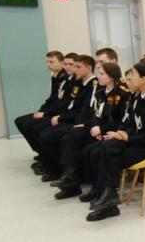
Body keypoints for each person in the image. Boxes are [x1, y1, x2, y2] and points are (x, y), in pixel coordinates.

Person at [86, 63, 145, 221]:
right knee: (99, 150)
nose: (128, 79)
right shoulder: (137, 95)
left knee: (110, 152)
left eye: (132, 75)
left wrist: (128, 138)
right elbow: (131, 123)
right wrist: (120, 133)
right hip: (141, 141)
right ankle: (105, 195)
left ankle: (108, 203)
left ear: (144, 79)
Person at [53, 63, 129, 199]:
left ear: (111, 77)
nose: (99, 76)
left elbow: (121, 121)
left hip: (111, 131)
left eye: (102, 74)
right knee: (71, 135)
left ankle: (90, 185)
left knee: (88, 150)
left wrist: (101, 129)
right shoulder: (101, 93)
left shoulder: (122, 94)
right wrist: (94, 126)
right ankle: (70, 178)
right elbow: (95, 114)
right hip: (97, 128)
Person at [36, 55, 99, 181]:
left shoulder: (94, 85)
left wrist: (63, 119)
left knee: (54, 137)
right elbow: (70, 105)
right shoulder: (79, 82)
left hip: (82, 123)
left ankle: (67, 174)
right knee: (44, 133)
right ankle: (58, 169)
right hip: (74, 120)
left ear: (89, 68)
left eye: (78, 67)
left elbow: (87, 111)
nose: (74, 69)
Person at [15, 51, 70, 157]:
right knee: (20, 121)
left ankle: (44, 155)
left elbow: (61, 102)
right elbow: (51, 99)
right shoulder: (55, 76)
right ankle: (39, 151)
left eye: (52, 62)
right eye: (47, 62)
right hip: (51, 110)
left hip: (58, 113)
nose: (48, 65)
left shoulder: (65, 78)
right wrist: (41, 110)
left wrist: (45, 114)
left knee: (33, 126)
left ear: (61, 62)